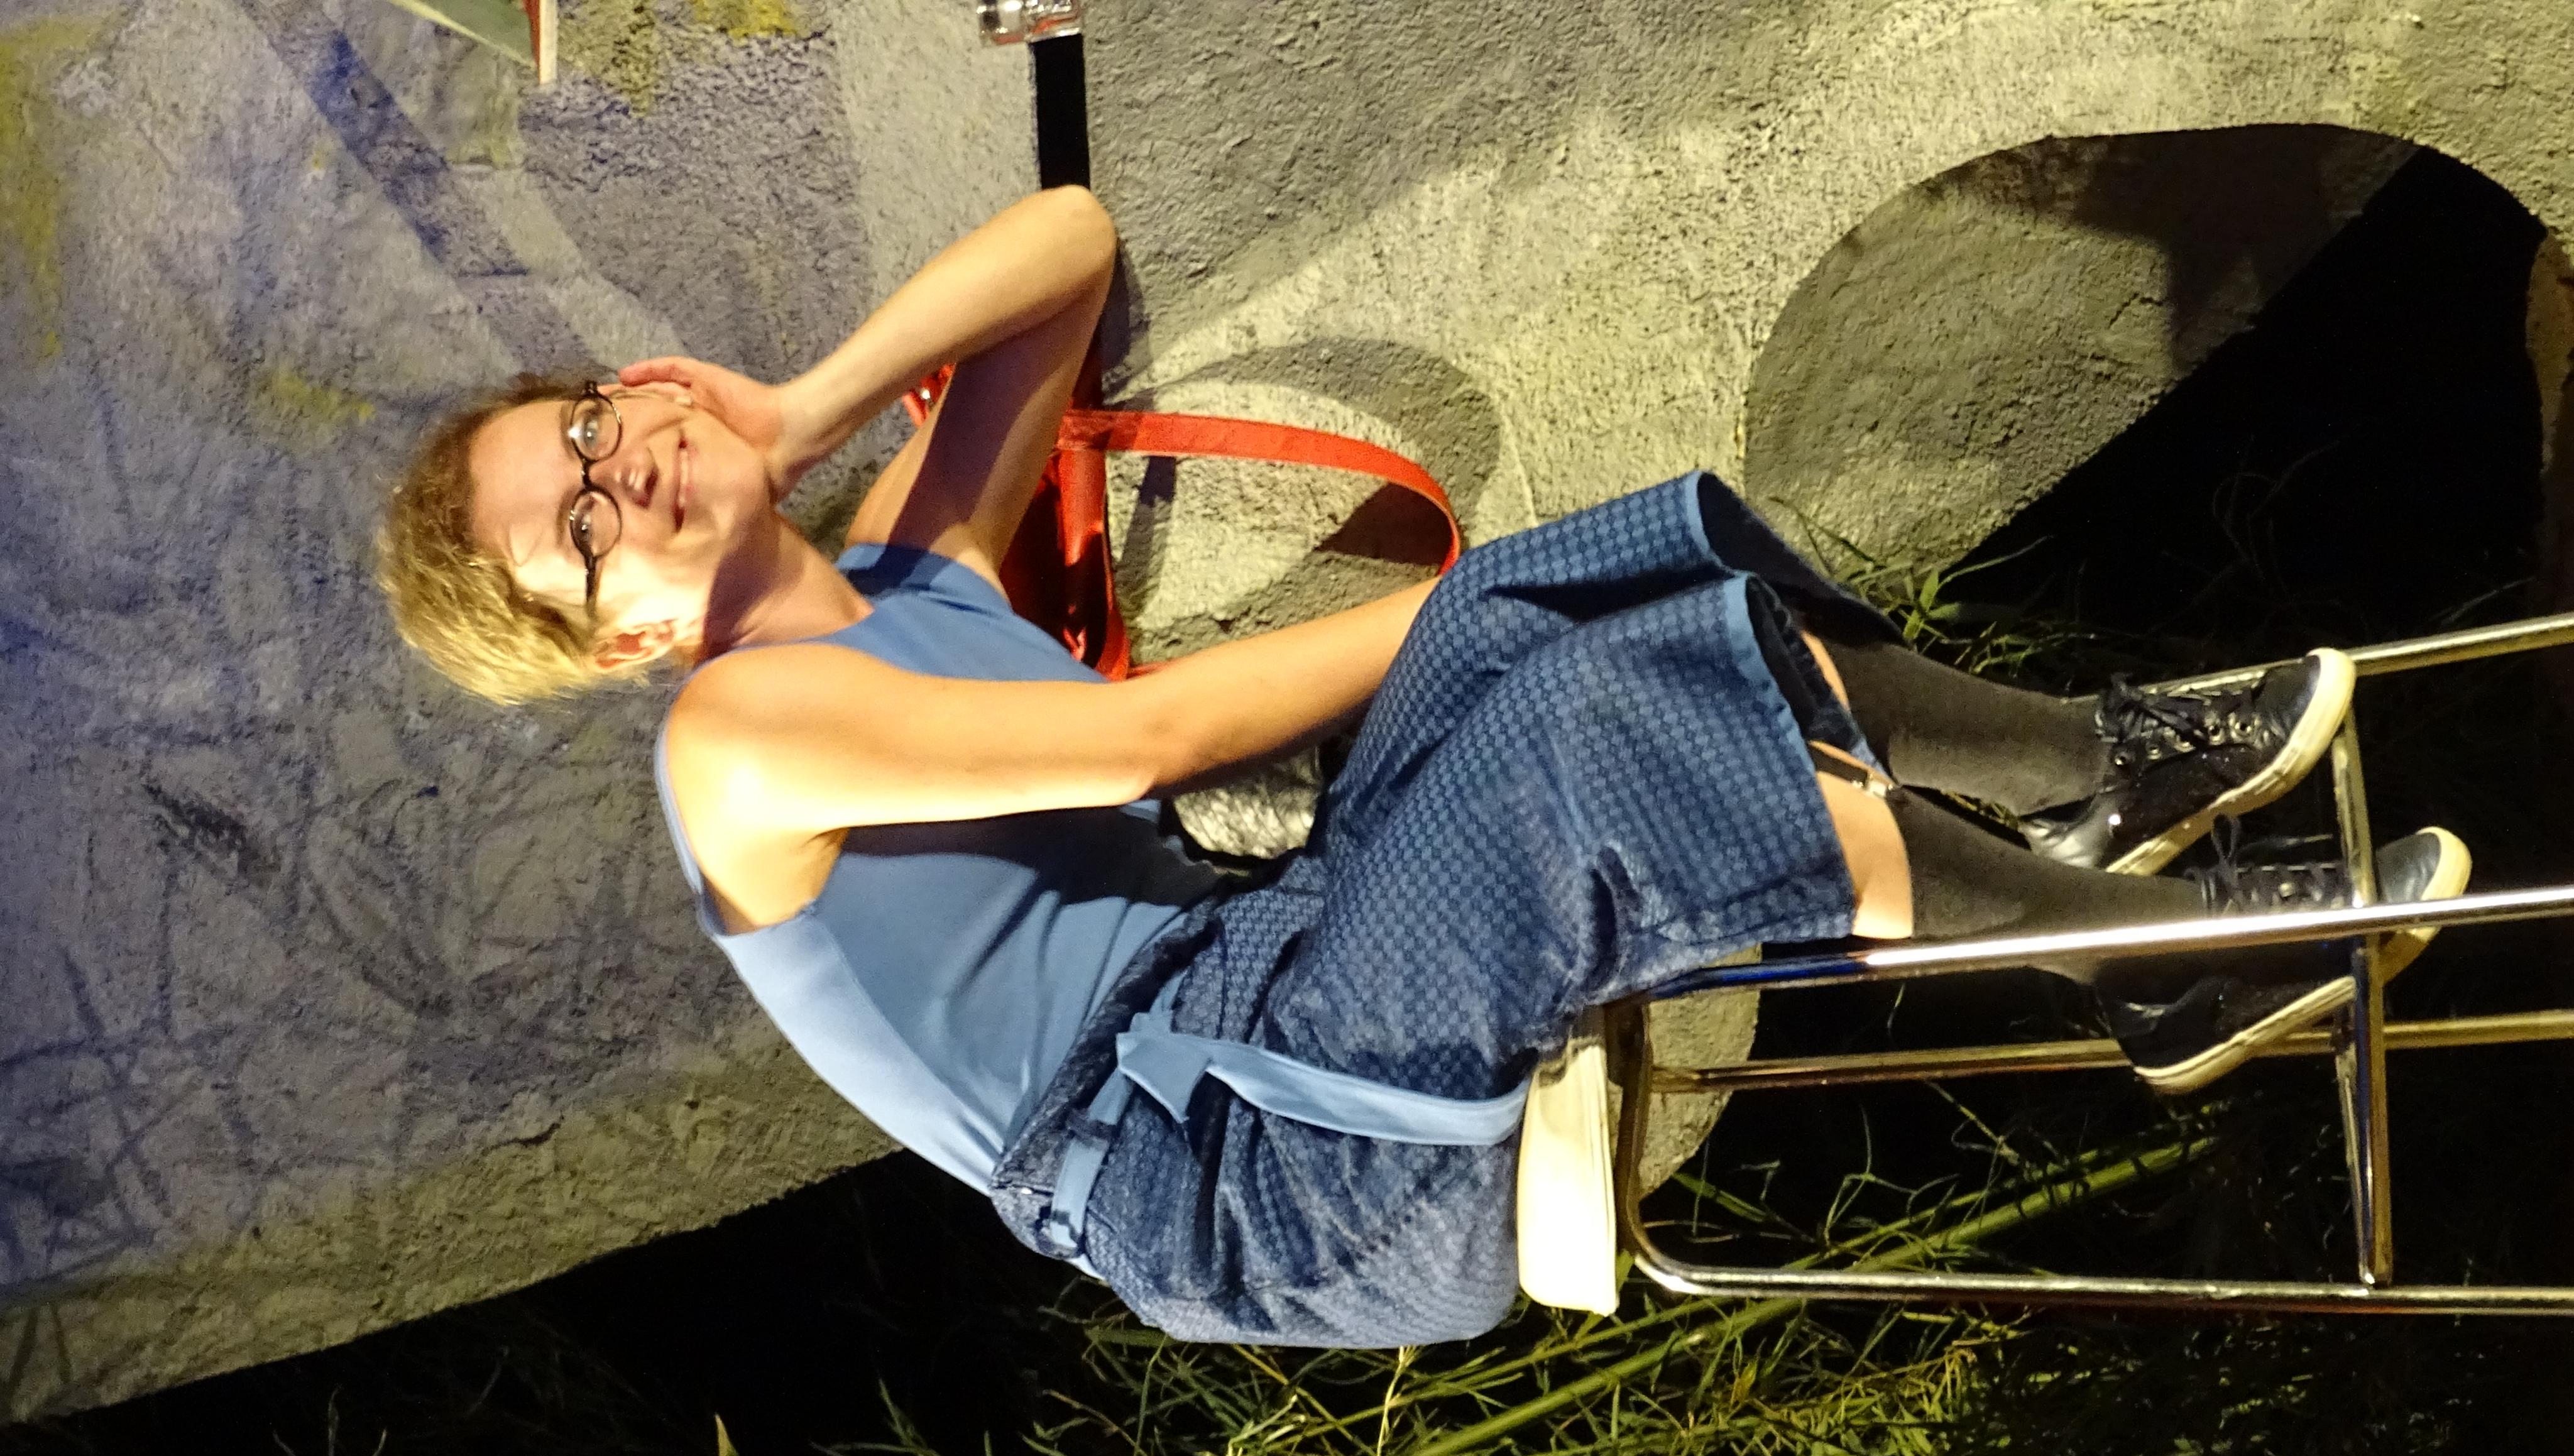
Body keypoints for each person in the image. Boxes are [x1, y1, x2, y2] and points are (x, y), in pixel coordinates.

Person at [378, 187, 2469, 1347]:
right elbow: (1152, 736)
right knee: (1569, 692)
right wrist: (1495, 604)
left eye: (589, 435)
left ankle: (2101, 788)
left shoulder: (902, 575)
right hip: (1228, 1168)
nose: (621, 479)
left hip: (1264, 986)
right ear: (619, 643)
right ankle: (2158, 959)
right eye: (581, 534)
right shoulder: (737, 736)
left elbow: (1067, 250)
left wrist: (803, 398)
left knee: (1617, 612)